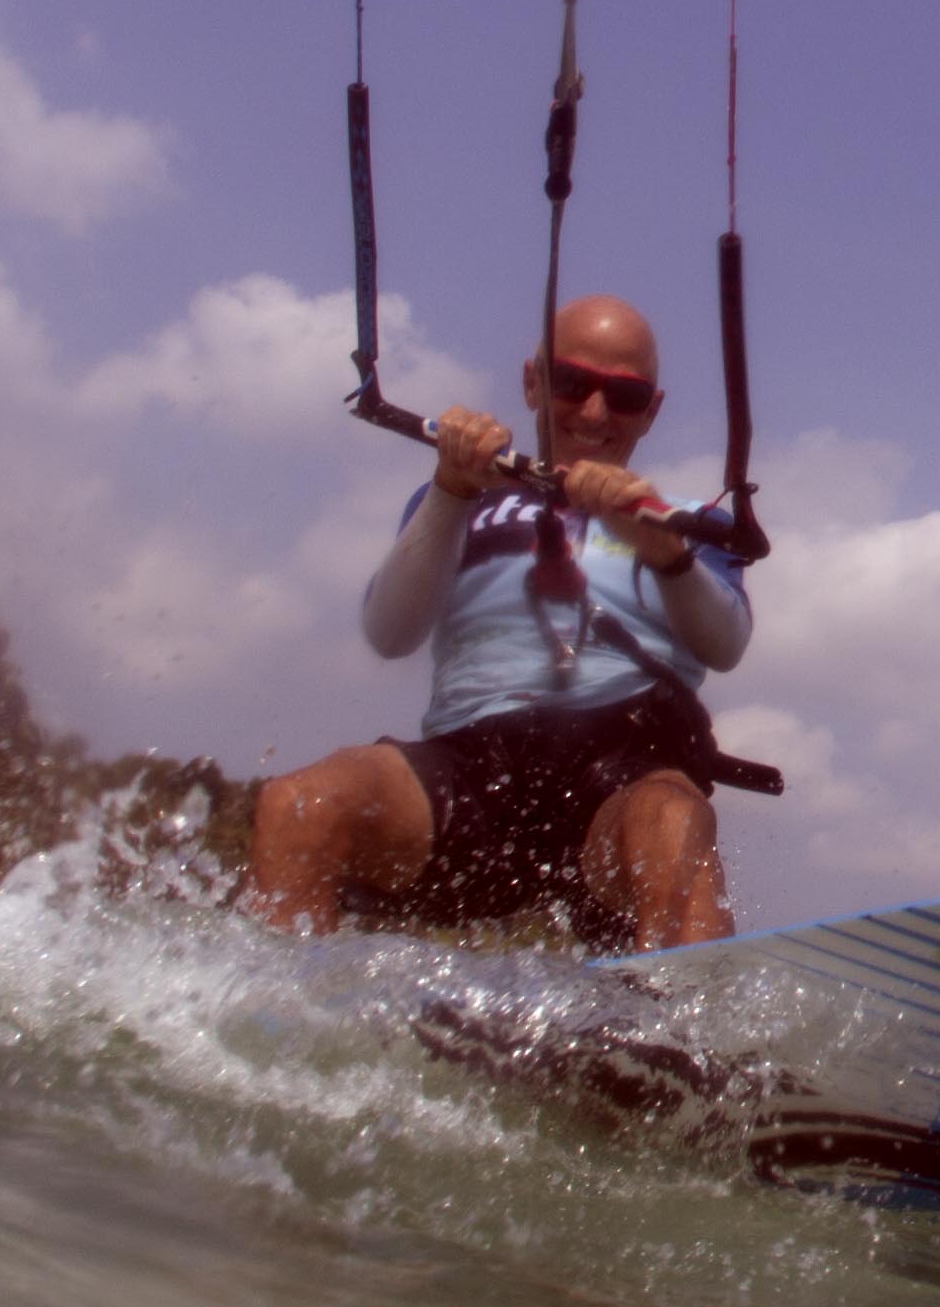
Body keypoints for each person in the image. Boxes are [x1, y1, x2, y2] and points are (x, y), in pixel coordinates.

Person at [246, 293, 760, 949]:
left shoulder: (688, 523)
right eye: (572, 384)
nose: (595, 412)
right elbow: (390, 633)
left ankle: (696, 1031)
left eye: (625, 396)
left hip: (624, 776)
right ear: (532, 382)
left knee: (673, 827)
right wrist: (451, 490)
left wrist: (663, 549)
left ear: (652, 411)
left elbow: (726, 645)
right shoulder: (454, 501)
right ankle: (279, 1025)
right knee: (297, 807)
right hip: (471, 776)